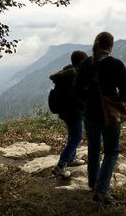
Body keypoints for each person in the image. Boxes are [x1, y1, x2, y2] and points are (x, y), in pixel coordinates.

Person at [74, 32, 126, 204]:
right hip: (109, 114)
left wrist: (86, 103)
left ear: (97, 44)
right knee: (111, 151)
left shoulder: (87, 63)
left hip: (90, 113)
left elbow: (77, 88)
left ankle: (93, 183)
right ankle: (101, 190)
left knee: (93, 148)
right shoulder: (115, 64)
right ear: (111, 45)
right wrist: (117, 100)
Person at [50, 50, 88, 179]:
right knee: (76, 138)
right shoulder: (74, 77)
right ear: (81, 62)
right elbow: (76, 97)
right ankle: (60, 166)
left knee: (72, 136)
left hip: (65, 111)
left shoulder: (65, 74)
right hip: (74, 112)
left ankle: (71, 159)